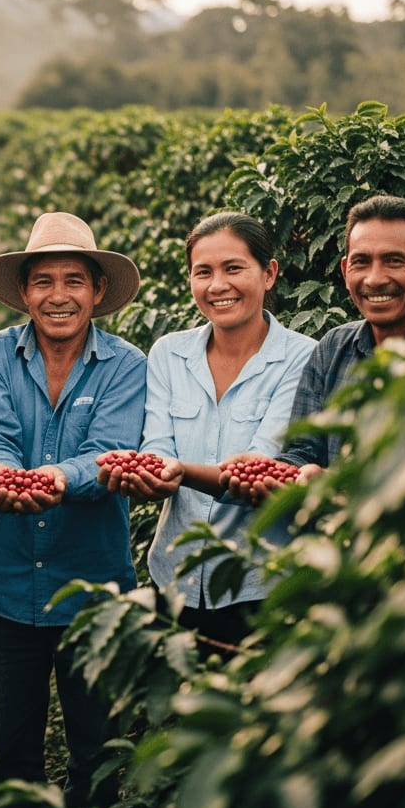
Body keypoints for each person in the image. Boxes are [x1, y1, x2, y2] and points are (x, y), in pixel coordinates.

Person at [0, 211, 146, 808]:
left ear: (97, 292)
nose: (58, 296)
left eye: (75, 281)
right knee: (13, 747)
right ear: (24, 292)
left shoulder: (127, 365)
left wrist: (53, 478)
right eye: (43, 281)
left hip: (93, 590)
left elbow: (108, 457)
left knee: (96, 751)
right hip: (9, 586)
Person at [98, 212, 317, 656]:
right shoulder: (169, 354)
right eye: (204, 272)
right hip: (174, 578)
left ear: (269, 273)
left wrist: (176, 470)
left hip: (257, 584)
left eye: (233, 268)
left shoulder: (303, 358)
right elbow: (156, 444)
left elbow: (260, 469)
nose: (218, 285)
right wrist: (149, 474)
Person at [225, 194, 405, 502]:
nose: (375, 278)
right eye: (361, 262)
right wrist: (274, 471)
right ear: (345, 271)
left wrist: (340, 482)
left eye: (394, 260)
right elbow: (303, 449)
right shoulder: (333, 348)